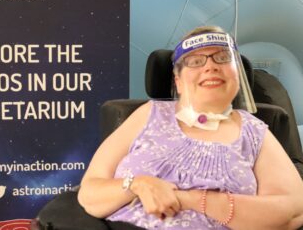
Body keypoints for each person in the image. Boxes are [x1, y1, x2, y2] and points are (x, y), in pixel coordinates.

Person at [77, 26, 303, 229]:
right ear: (178, 81)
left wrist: (192, 199)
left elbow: (292, 211)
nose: (211, 67)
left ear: (237, 74)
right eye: (195, 61)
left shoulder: (254, 131)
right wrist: (138, 184)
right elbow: (90, 194)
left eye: (223, 58)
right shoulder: (147, 114)